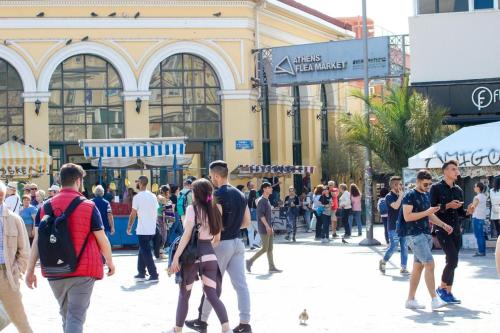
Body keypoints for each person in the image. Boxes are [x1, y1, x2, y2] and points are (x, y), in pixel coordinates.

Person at [25, 163, 115, 333]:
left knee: (67, 316)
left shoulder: (44, 207)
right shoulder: (88, 206)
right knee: (75, 317)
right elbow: (102, 239)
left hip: (54, 269)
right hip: (82, 271)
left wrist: (30, 270)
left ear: (60, 180)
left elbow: (37, 241)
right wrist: (110, 262)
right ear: (78, 181)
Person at [185, 160, 252, 333]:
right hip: (238, 243)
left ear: (215, 175)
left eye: (210, 176)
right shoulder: (240, 194)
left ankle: (202, 321)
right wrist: (233, 226)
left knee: (211, 285)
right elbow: (246, 222)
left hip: (221, 244)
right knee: (241, 285)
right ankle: (245, 323)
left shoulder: (217, 195)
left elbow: (217, 224)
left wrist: (213, 242)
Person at [167, 179, 232, 333]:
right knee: (212, 295)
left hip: (192, 256)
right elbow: (216, 239)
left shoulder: (192, 209)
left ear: (197, 193)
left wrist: (176, 257)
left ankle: (177, 329)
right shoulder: (215, 209)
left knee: (184, 293)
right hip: (210, 254)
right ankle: (226, 328)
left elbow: (186, 235)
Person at [403, 169, 451, 311]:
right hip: (415, 235)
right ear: (417, 181)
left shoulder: (425, 195)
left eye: (429, 184)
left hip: (425, 235)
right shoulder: (410, 195)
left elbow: (429, 215)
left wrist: (443, 225)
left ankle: (410, 300)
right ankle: (434, 300)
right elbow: (407, 217)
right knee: (430, 264)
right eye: (425, 184)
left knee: (418, 268)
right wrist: (427, 212)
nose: (427, 186)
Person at [430, 160, 465, 304]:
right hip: (442, 228)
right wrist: (447, 205)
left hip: (456, 230)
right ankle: (441, 289)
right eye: (453, 169)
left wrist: (469, 211)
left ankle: (448, 292)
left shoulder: (459, 190)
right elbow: (431, 209)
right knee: (452, 259)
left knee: (452, 262)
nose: (456, 172)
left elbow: (461, 213)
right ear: (445, 171)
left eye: (457, 169)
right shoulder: (436, 188)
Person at [0, 182, 33, 333]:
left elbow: (24, 250)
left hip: (6, 274)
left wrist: (17, 271)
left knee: (21, 321)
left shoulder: (14, 219)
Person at [127, 176, 160, 283]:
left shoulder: (137, 197)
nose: (136, 184)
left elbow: (133, 214)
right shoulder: (153, 196)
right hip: (151, 228)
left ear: (140, 183)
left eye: (137, 182)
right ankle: (141, 272)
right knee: (143, 249)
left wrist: (129, 227)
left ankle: (153, 274)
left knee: (146, 251)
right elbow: (156, 211)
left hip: (143, 229)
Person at [246, 182, 282, 273]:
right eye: (270, 187)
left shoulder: (266, 200)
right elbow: (260, 215)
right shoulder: (262, 201)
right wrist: (267, 226)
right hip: (264, 228)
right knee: (265, 248)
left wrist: (270, 227)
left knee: (270, 249)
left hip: (268, 227)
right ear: (265, 189)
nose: (272, 189)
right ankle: (250, 261)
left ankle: (271, 267)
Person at [379, 177, 409, 275]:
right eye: (400, 184)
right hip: (393, 226)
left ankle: (403, 267)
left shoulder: (402, 196)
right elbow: (395, 206)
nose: (402, 186)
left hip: (403, 225)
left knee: (404, 246)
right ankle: (383, 261)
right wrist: (400, 197)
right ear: (395, 185)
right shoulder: (389, 196)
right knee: (394, 246)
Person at [467, 182, 487, 257]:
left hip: (477, 217)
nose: (474, 188)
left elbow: (473, 207)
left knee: (478, 235)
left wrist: (468, 210)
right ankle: (482, 251)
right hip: (481, 218)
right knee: (481, 235)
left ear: (478, 188)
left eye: (475, 186)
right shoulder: (484, 196)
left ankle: (481, 251)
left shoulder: (477, 197)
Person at [246, 181, 261, 250]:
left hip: (248, 215)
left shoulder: (246, 196)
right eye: (252, 185)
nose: (253, 186)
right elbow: (258, 203)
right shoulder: (256, 194)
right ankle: (256, 242)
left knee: (250, 231)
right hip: (254, 215)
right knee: (260, 230)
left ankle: (251, 245)